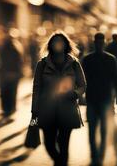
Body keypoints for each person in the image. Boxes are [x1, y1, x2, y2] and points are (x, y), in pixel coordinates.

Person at [31, 31, 86, 166]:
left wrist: (75, 93)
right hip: (46, 110)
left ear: (66, 45)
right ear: (50, 45)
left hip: (67, 110)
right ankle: (59, 162)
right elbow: (36, 88)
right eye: (55, 42)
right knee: (49, 144)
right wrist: (34, 110)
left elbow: (82, 85)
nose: (58, 44)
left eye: (61, 42)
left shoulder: (74, 63)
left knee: (63, 144)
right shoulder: (42, 64)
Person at [82, 33, 117, 166]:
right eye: (98, 42)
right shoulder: (108, 59)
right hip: (98, 99)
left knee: (100, 129)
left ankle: (98, 154)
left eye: (100, 42)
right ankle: (96, 154)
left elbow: (116, 79)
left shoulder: (90, 59)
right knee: (95, 129)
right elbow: (81, 80)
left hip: (101, 99)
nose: (99, 44)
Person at [0, 33, 24, 117]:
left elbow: (1, 60)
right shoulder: (17, 47)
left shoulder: (4, 47)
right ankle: (11, 108)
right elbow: (20, 61)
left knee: (6, 92)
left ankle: (7, 109)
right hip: (13, 73)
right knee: (12, 92)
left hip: (7, 73)